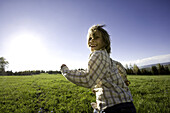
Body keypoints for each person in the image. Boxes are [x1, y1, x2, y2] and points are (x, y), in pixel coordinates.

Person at [60, 24, 136, 113]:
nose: (92, 40)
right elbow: (120, 67)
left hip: (114, 107)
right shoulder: (108, 59)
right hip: (127, 104)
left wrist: (65, 70)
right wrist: (124, 79)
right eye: (90, 38)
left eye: (96, 37)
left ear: (105, 41)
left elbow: (87, 79)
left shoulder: (98, 55)